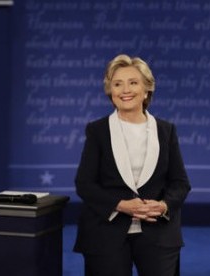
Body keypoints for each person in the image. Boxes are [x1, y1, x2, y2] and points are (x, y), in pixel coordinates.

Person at [73, 54, 191, 276]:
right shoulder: (97, 130)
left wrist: (164, 206)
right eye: (117, 84)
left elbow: (180, 183)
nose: (125, 90)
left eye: (133, 83)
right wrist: (121, 205)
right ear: (111, 91)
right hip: (105, 232)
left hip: (158, 233)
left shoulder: (166, 130)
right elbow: (85, 184)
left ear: (146, 89)